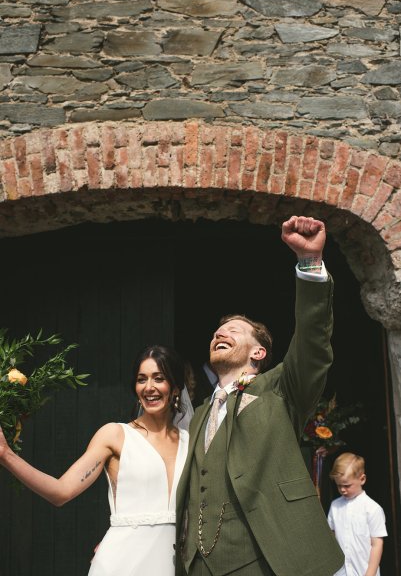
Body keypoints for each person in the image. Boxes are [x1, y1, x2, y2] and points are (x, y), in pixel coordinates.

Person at [175, 215, 345, 576]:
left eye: (234, 331)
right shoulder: (201, 411)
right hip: (195, 564)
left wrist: (309, 264)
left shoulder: (280, 390)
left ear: (258, 353)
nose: (220, 334)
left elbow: (313, 343)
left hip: (263, 561)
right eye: (217, 331)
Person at [0, 344, 191, 576]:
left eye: (158, 378)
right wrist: (5, 455)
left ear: (175, 387)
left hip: (173, 565)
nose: (149, 387)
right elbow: (61, 491)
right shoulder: (116, 435)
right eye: (142, 379)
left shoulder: (190, 442)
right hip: (121, 563)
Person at [328, 452, 387, 576]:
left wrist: (369, 574)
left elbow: (377, 544)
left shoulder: (372, 509)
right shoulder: (335, 506)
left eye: (347, 485)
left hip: (363, 571)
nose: (342, 489)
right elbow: (331, 539)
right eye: (339, 486)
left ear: (362, 479)